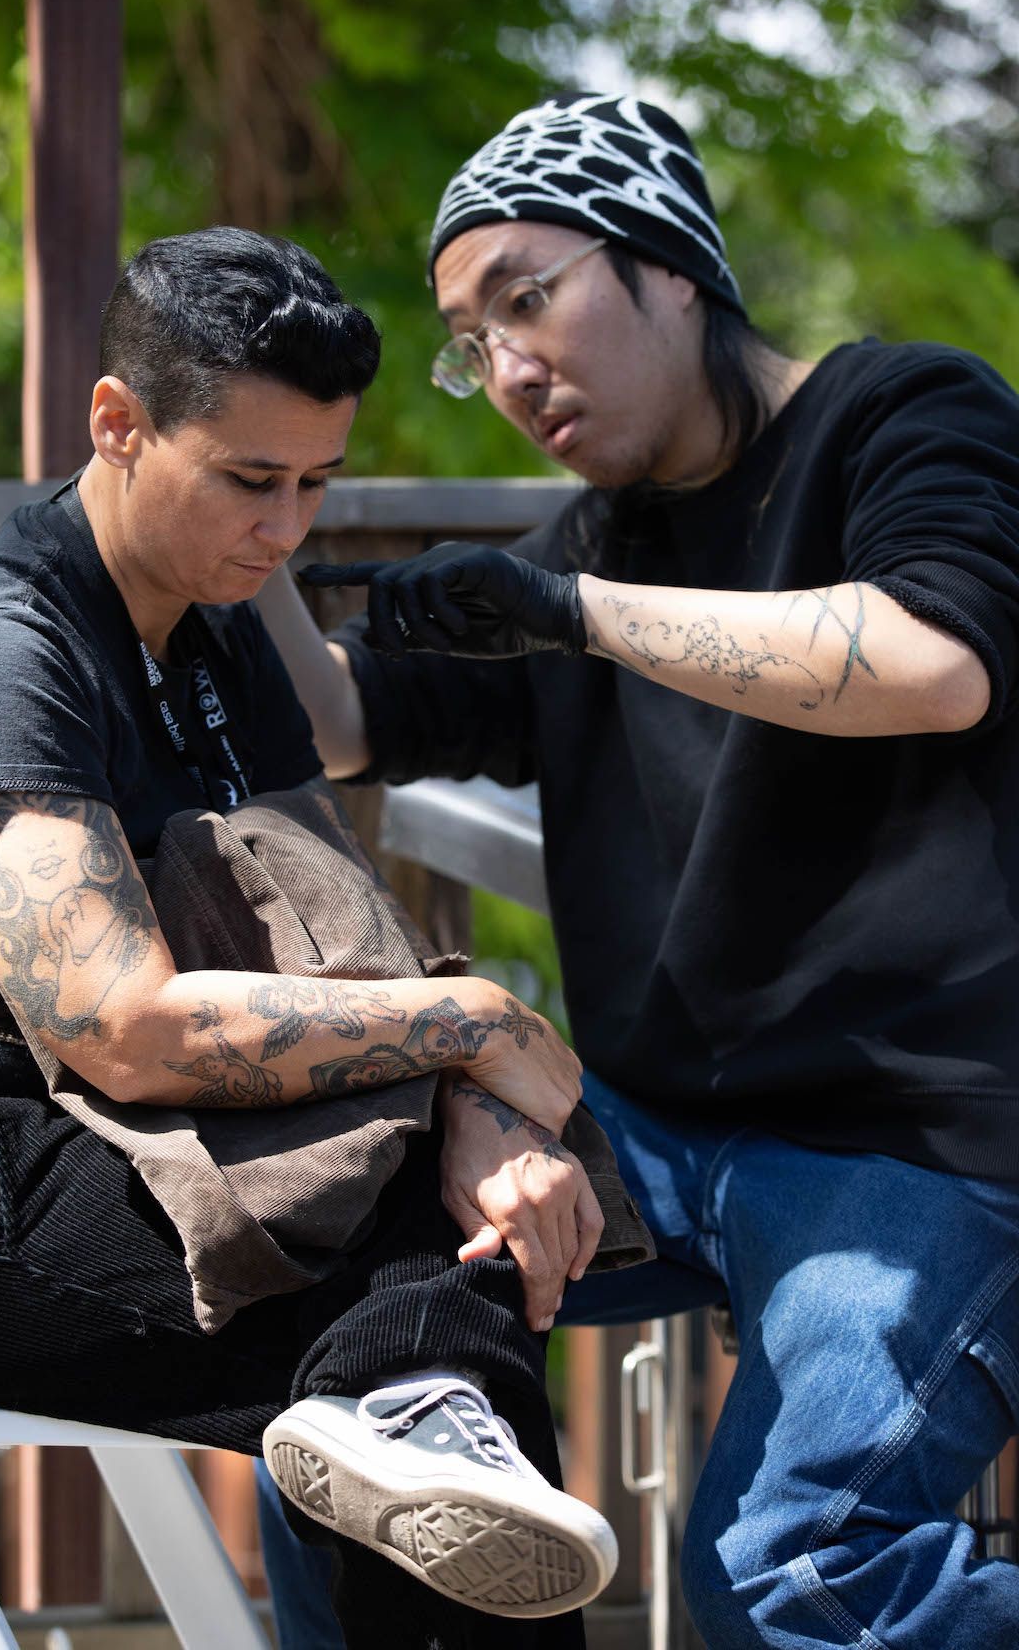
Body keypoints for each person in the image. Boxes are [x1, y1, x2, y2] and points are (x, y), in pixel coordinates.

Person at [255, 92, 1019, 1648]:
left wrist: (568, 610)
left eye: (529, 296)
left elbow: (936, 660)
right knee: (337, 1381)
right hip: (656, 1139)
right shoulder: (588, 535)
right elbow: (334, 718)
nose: (509, 369)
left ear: (670, 261)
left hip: (920, 1144)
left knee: (783, 1586)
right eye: (476, 341)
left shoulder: (905, 413)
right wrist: (248, 489)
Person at [0, 225, 624, 1648]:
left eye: (316, 483)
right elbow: (118, 1032)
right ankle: (419, 1394)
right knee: (429, 1318)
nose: (288, 529)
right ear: (117, 424)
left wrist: (467, 1114)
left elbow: (340, 941)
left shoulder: (214, 631)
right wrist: (483, 1028)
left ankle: (418, 1403)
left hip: (104, 1145)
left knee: (441, 1329)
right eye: (252, 480)